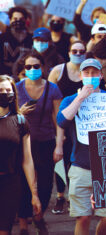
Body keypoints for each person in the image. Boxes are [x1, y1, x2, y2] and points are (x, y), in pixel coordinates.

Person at [57, 59, 106, 235]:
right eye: (86, 73)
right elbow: (62, 120)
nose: (90, 76)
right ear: (80, 76)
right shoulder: (70, 100)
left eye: (94, 73)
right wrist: (80, 98)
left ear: (101, 75)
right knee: (83, 217)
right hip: (80, 166)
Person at [16, 51, 63, 235]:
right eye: (28, 67)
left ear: (42, 67)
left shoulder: (52, 89)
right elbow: (7, 116)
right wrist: (20, 112)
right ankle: (22, 224)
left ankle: (38, 217)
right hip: (22, 142)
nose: (33, 69)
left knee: (44, 185)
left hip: (45, 141)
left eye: (36, 66)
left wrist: (59, 145)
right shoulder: (17, 88)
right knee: (22, 183)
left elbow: (58, 119)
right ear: (24, 69)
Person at [48, 41, 86, 213]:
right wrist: (56, 127)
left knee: (75, 159)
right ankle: (60, 197)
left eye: (81, 51)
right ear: (69, 52)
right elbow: (48, 97)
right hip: (62, 120)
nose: (78, 53)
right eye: (74, 50)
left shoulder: (88, 71)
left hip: (82, 124)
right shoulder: (58, 71)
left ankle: (73, 196)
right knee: (60, 159)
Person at [0, 75, 41, 235]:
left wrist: (34, 193)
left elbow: (27, 160)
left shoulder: (20, 121)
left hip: (11, 183)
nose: (4, 93)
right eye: (0, 90)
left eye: (8, 90)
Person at [0, 7, 33, 76]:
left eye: (21, 19)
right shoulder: (2, 38)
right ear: (10, 20)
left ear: (25, 20)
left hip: (24, 76)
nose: (18, 21)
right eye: (15, 19)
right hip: (4, 76)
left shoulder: (31, 39)